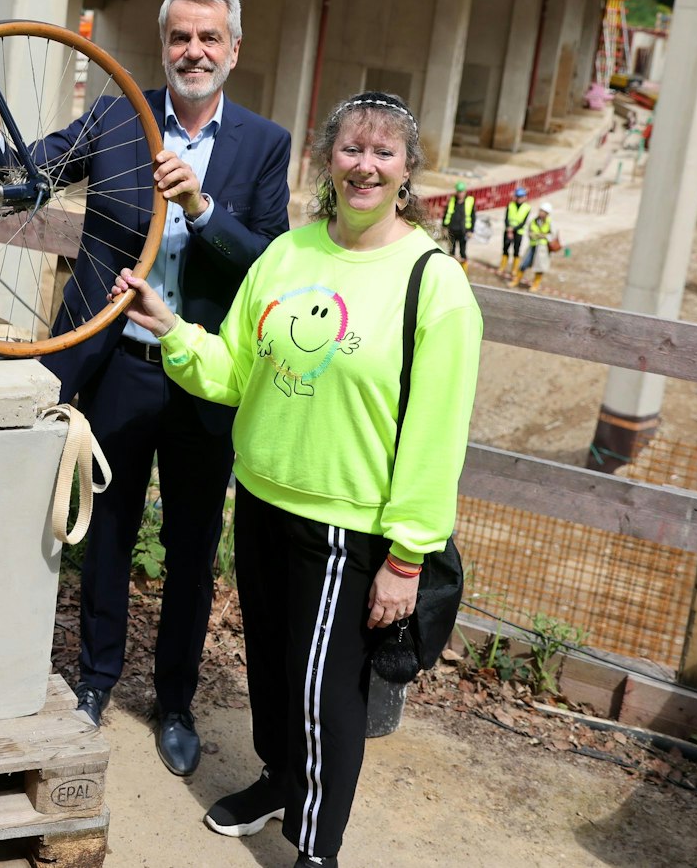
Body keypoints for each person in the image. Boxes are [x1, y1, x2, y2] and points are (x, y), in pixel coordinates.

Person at [112, 90, 482, 867]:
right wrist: (173, 327)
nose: (366, 165)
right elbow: (235, 369)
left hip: (349, 522)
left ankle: (315, 848)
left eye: (384, 152)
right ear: (327, 160)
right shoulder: (289, 253)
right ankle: (280, 779)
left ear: (409, 171)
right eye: (352, 149)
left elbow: (436, 433)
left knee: (325, 693)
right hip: (264, 496)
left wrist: (408, 556)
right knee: (277, 670)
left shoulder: (433, 283)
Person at [0, 0, 292, 777]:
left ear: (233, 50)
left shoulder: (264, 143)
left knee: (190, 544)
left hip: (203, 371)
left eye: (210, 38)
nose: (194, 52)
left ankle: (173, 700)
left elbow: (270, 262)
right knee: (103, 537)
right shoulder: (115, 116)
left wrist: (204, 208)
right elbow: (26, 177)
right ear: (163, 44)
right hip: (117, 369)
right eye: (180, 38)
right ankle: (97, 678)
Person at [516, 203, 558, 291]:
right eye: (540, 211)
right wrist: (532, 235)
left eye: (543, 212)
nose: (541, 213)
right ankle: (516, 279)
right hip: (533, 245)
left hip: (542, 248)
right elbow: (529, 230)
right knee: (524, 263)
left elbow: (553, 235)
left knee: (539, 266)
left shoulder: (550, 222)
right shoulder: (534, 220)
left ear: (547, 213)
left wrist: (544, 236)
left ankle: (536, 284)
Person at [498, 185, 531, 280]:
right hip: (508, 230)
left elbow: (523, 222)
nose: (519, 199)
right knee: (505, 249)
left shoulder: (527, 208)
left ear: (524, 197)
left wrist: (513, 229)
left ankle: (514, 269)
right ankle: (502, 267)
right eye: (518, 196)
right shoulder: (510, 205)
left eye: (521, 197)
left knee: (516, 251)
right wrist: (508, 228)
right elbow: (506, 218)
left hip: (518, 232)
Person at [441, 181, 475, 270]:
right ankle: (451, 271)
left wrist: (471, 231)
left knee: (462, 252)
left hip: (464, 231)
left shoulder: (470, 201)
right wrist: (444, 227)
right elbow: (446, 214)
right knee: (451, 252)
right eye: (459, 192)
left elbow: (473, 217)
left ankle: (464, 272)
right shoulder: (452, 200)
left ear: (465, 192)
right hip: (452, 230)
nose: (460, 194)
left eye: (462, 192)